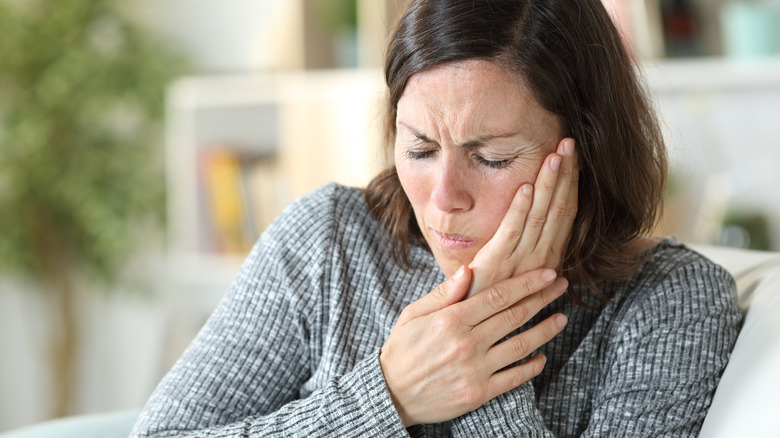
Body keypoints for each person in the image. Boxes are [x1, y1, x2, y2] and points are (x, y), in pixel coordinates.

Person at [131, 0, 741, 436]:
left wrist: (482, 344)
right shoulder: (326, 241)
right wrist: (387, 396)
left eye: (493, 157)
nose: (444, 194)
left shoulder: (670, 302)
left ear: (586, 149)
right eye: (420, 149)